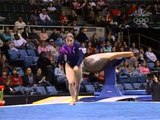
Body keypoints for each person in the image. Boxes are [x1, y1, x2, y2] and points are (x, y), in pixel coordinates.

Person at [59, 33, 84, 105]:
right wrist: (60, 64)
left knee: (78, 83)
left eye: (71, 40)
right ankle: (73, 99)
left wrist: (78, 65)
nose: (69, 42)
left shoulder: (77, 45)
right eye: (68, 40)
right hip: (69, 64)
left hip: (77, 64)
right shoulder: (64, 47)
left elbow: (81, 56)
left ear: (73, 40)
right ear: (65, 41)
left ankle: (76, 97)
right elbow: (61, 56)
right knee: (70, 82)